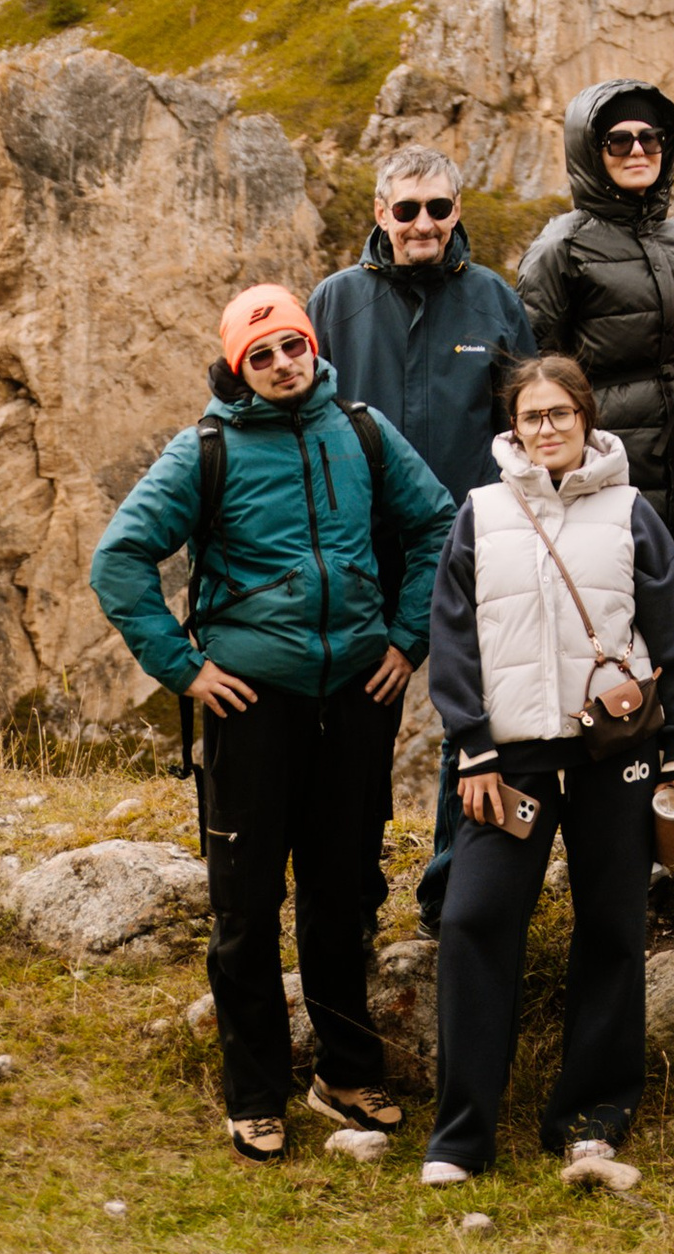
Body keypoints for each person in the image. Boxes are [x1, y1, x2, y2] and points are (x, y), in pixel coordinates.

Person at [89, 282, 454, 1166]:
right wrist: (185, 669)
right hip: (251, 706)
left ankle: (344, 1070)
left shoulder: (362, 431)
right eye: (261, 355)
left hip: (360, 698)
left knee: (344, 891)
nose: (283, 365)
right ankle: (253, 1090)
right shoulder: (204, 450)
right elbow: (120, 559)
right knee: (246, 906)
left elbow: (439, 522)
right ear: (236, 366)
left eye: (292, 346)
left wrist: (408, 638)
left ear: (311, 345)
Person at [422, 353, 674, 1188]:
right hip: (508, 758)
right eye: (531, 416)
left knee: (614, 930)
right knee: (475, 924)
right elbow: (452, 636)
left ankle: (591, 1121)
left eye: (560, 413)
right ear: (513, 427)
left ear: (586, 418)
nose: (546, 428)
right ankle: (463, 1135)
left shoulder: (631, 513)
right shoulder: (479, 513)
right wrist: (471, 744)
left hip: (613, 753)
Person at [309, 142, 531, 932]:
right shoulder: (334, 303)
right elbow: (303, 419)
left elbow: (527, 418)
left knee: (467, 714)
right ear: (381, 214)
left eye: (438, 208)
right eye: (406, 210)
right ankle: (353, 899)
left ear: (457, 210)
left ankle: (447, 895)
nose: (423, 224)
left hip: (474, 541)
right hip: (362, 550)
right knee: (360, 722)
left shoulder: (494, 300)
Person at [516, 82, 674, 533]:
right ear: (590, 151)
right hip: (605, 479)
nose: (637, 150)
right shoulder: (560, 248)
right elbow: (532, 377)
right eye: (618, 140)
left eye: (650, 138)